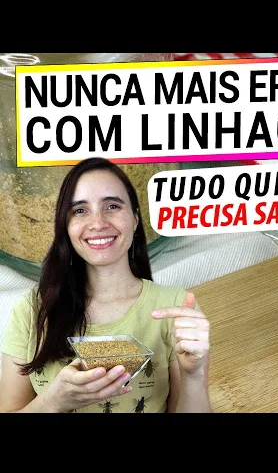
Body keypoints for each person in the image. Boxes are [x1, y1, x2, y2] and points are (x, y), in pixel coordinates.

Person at [0, 157, 212, 413]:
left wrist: (193, 375)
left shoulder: (176, 308)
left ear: (135, 219)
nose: (98, 223)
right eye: (80, 210)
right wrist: (54, 401)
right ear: (65, 226)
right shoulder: (32, 310)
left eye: (112, 206)